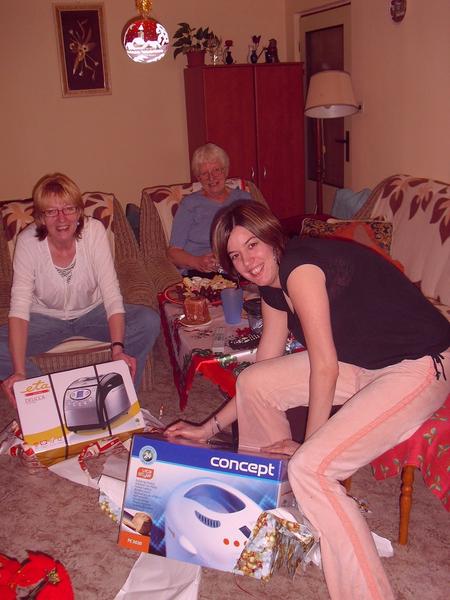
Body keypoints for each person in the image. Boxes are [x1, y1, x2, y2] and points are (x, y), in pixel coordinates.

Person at [166, 200, 450, 599]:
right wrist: (207, 428)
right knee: (256, 383)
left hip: (420, 363)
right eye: (236, 255)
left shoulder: (299, 268)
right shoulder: (272, 285)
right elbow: (262, 367)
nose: (247, 262)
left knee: (311, 468)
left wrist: (307, 446)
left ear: (270, 236)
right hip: (364, 362)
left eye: (252, 245)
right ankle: (272, 518)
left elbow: (325, 367)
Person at [0, 173, 160, 405]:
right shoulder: (28, 242)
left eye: (69, 209)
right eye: (51, 211)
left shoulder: (94, 231)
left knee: (147, 321)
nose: (61, 218)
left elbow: (111, 293)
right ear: (41, 218)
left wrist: (117, 350)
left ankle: (120, 399)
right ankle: (50, 400)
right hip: (44, 320)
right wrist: (19, 371)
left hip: (93, 314)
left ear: (79, 212)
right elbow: (19, 309)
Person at [167, 143, 251, 274]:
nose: (211, 177)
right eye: (204, 173)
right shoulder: (190, 204)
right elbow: (173, 253)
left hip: (241, 266)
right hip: (203, 273)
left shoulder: (244, 198)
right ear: (198, 178)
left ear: (225, 171)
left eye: (216, 170)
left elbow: (260, 235)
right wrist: (197, 262)